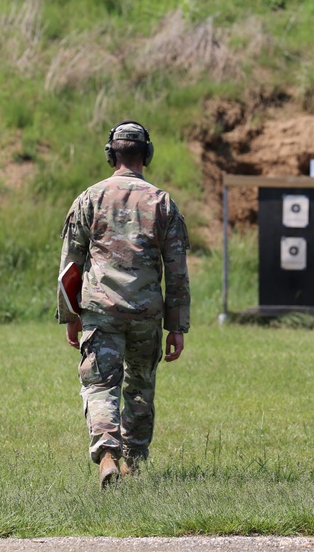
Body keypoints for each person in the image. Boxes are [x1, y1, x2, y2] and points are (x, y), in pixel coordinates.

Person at [56, 121, 191, 489]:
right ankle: (133, 462)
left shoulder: (90, 198)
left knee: (100, 386)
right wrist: (177, 326)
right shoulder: (162, 202)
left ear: (110, 154)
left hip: (100, 311)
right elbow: (177, 270)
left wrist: (70, 316)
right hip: (146, 314)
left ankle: (107, 455)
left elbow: (71, 264)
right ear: (146, 154)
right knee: (139, 388)